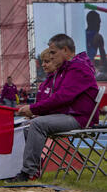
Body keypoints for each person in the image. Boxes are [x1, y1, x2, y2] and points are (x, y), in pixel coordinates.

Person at [7, 34, 98, 182]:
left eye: (53, 52)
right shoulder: (67, 69)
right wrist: (36, 111)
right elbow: (58, 100)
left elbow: (62, 98)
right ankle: (31, 169)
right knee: (28, 127)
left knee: (37, 124)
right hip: (70, 115)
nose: (51, 56)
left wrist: (34, 109)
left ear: (66, 51)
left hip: (79, 118)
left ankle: (28, 173)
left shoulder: (78, 68)